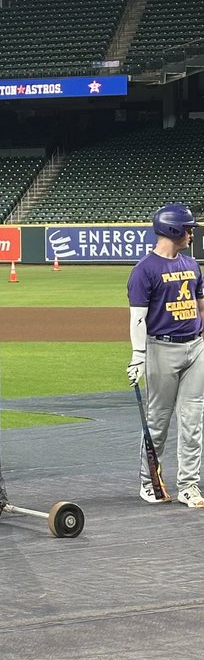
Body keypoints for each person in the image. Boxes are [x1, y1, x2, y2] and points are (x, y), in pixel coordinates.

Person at [127, 203, 204, 508]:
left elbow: (200, 306)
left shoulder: (192, 264)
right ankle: (150, 483)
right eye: (188, 229)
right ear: (173, 229)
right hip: (161, 348)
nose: (191, 234)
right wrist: (138, 356)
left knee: (193, 421)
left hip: (195, 347)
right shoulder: (144, 270)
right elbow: (138, 318)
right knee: (157, 421)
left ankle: (189, 485)